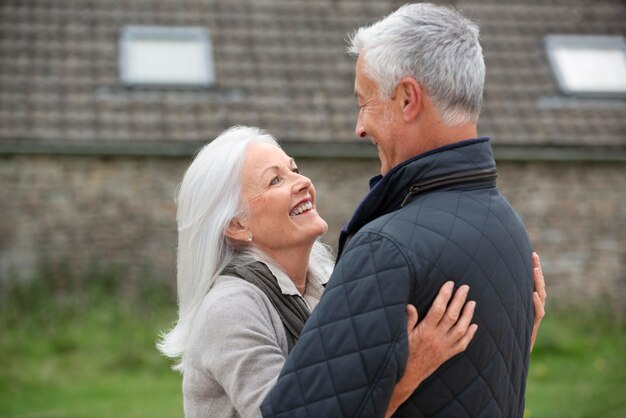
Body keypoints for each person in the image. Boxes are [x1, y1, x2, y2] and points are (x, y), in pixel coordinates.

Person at [261, 3, 543, 417]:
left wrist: (402, 378)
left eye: (365, 102)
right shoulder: (509, 228)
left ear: (408, 98)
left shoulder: (386, 248)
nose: (359, 127)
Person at [157, 126, 484, 418]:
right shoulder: (231, 309)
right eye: (276, 180)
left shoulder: (328, 287)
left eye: (294, 169)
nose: (303, 182)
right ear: (236, 225)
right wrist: (410, 372)